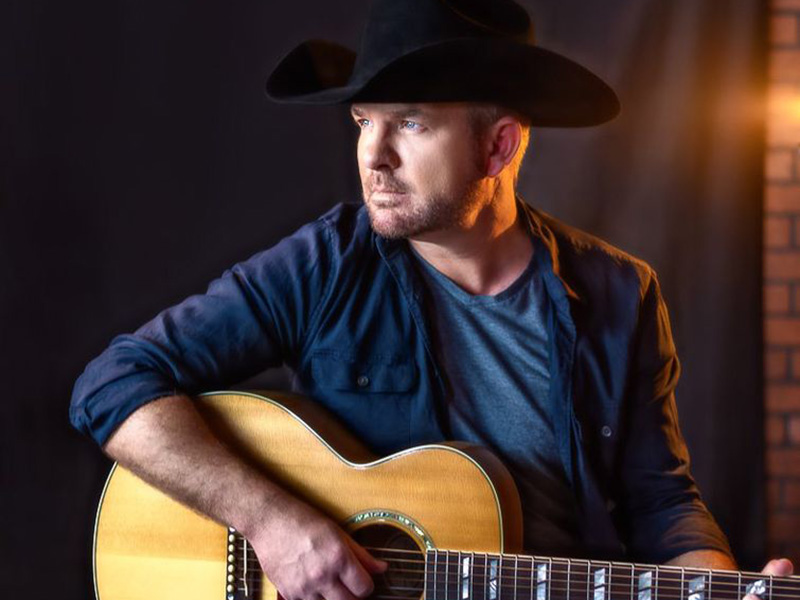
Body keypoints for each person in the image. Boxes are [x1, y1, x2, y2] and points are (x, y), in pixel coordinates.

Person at [70, 1, 792, 599]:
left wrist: (716, 585)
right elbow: (112, 386)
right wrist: (274, 525)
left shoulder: (618, 294)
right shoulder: (329, 263)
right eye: (363, 122)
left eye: (410, 122)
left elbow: (662, 502)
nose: (372, 155)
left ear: (498, 148)